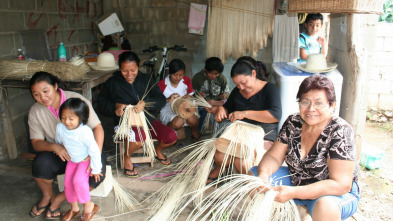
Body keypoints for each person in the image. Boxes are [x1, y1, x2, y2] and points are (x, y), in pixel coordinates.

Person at [252, 74, 359, 220]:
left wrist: (295, 192)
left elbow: (341, 185)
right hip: (296, 181)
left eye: (319, 103)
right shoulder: (293, 122)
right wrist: (263, 175)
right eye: (305, 102)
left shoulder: (340, 131)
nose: (311, 109)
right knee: (253, 179)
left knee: (325, 206)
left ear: (332, 105)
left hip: (330, 194)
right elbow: (273, 156)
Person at [28, 71, 106, 219]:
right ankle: (48, 196)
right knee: (41, 164)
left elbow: (97, 128)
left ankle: (59, 199)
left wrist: (93, 155)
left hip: (86, 151)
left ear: (55, 86)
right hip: (63, 153)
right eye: (36, 94)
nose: (42, 97)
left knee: (95, 176)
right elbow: (36, 143)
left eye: (46, 91)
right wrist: (55, 147)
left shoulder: (75, 100)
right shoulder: (35, 111)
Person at [97, 51, 177, 176]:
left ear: (138, 66)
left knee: (171, 137)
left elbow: (160, 99)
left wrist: (146, 103)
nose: (129, 74)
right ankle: (127, 156)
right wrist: (115, 107)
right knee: (139, 139)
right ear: (120, 69)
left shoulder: (147, 79)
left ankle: (157, 151)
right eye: (124, 71)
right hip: (124, 124)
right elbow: (100, 103)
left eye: (133, 70)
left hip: (147, 121)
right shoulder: (112, 83)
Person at [206, 59, 281, 183]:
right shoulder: (238, 92)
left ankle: (251, 185)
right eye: (237, 84)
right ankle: (220, 168)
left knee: (242, 161)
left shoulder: (269, 89)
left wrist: (245, 113)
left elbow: (275, 115)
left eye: (244, 82)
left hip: (263, 134)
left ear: (253, 74)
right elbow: (228, 108)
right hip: (240, 133)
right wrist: (221, 109)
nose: (241, 87)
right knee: (220, 155)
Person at [56, 98, 101, 221]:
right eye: (64, 117)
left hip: (84, 161)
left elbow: (95, 150)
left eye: (71, 119)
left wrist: (96, 168)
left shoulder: (84, 131)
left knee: (79, 182)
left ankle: (89, 207)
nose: (67, 122)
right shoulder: (60, 127)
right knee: (68, 184)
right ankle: (74, 208)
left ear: (81, 118)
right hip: (72, 161)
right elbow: (59, 142)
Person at [158, 59, 200, 142]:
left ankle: (194, 131)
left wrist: (188, 98)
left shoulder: (186, 80)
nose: (178, 78)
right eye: (175, 75)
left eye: (180, 75)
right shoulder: (162, 84)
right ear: (169, 72)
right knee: (178, 122)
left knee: (193, 119)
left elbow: (191, 95)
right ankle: (168, 133)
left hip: (184, 105)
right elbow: (157, 102)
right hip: (168, 108)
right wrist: (168, 99)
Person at [191, 57, 229, 132]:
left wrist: (225, 95)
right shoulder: (197, 78)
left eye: (217, 74)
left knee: (223, 112)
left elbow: (228, 92)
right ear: (206, 70)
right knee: (205, 111)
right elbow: (192, 93)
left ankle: (220, 130)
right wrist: (198, 94)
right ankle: (199, 131)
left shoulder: (221, 78)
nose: (214, 76)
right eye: (212, 73)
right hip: (203, 104)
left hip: (217, 103)